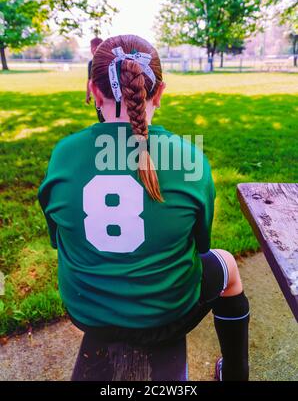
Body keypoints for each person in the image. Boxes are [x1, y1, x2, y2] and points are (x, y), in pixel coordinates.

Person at [38, 34, 249, 381]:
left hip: (87, 313)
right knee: (226, 264)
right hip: (171, 315)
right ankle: (236, 373)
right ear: (160, 92)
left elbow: (57, 240)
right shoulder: (189, 158)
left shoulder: (64, 155)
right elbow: (201, 246)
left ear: (92, 90)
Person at [86, 36, 105, 122]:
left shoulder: (107, 61)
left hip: (106, 96)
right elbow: (90, 79)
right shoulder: (91, 63)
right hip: (97, 96)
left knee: (106, 119)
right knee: (102, 119)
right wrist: (88, 95)